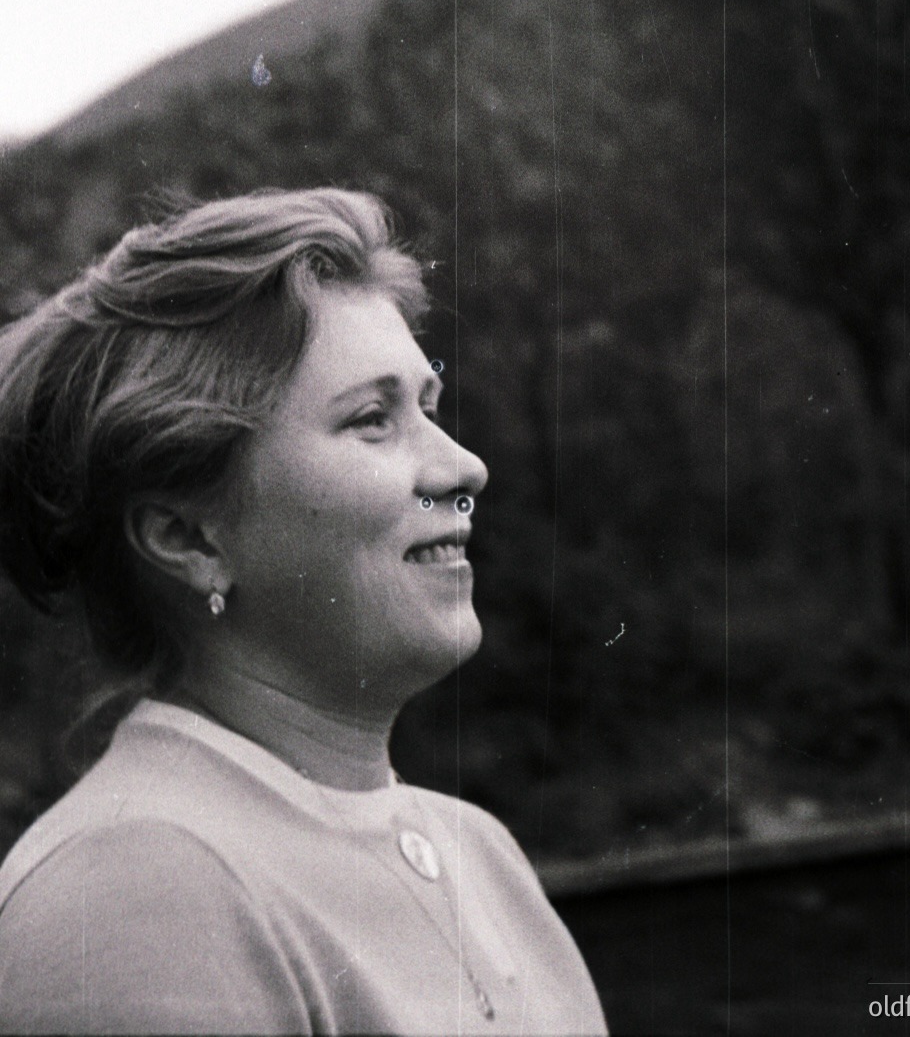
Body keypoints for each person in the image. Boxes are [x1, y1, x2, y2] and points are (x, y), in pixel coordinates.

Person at [0, 189, 607, 1036]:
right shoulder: (128, 892)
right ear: (188, 536)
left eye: (428, 406)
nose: (464, 466)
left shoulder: (482, 852)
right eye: (371, 419)